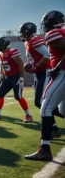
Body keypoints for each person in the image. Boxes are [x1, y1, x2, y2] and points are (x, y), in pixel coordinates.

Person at [25, 10, 65, 161]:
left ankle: (45, 149)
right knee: (63, 110)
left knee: (45, 107)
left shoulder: (54, 33)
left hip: (62, 74)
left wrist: (57, 67)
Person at [19, 22, 63, 138]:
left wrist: (36, 66)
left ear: (27, 31)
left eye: (23, 32)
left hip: (45, 72)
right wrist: (31, 64)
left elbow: (47, 55)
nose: (22, 34)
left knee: (41, 102)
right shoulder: (27, 42)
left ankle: (54, 128)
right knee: (41, 102)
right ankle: (54, 128)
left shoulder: (35, 40)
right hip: (39, 74)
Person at [0, 37, 33, 122]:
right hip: (7, 77)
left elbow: (20, 64)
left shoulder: (12, 51)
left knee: (18, 96)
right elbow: (2, 66)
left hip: (16, 76)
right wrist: (0, 75)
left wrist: (22, 78)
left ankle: (28, 115)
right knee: (0, 94)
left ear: (4, 45)